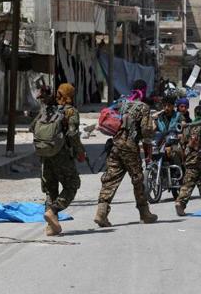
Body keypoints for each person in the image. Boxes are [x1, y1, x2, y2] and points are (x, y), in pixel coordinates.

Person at [94, 83, 158, 227]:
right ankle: (144, 213)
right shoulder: (143, 107)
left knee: (110, 178)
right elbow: (146, 132)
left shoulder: (123, 103)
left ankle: (101, 212)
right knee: (138, 180)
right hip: (130, 147)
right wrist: (153, 127)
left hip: (116, 145)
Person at [39, 83, 87, 236]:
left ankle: (51, 227)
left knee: (50, 189)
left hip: (45, 154)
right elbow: (72, 134)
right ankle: (53, 211)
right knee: (72, 184)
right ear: (70, 96)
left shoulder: (47, 110)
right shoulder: (70, 111)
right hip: (62, 154)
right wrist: (80, 152)